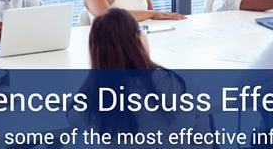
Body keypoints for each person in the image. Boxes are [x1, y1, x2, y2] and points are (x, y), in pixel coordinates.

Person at [70, 8, 209, 141]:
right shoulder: (179, 83)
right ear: (137, 38)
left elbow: (74, 119)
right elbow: (205, 141)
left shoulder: (87, 104)